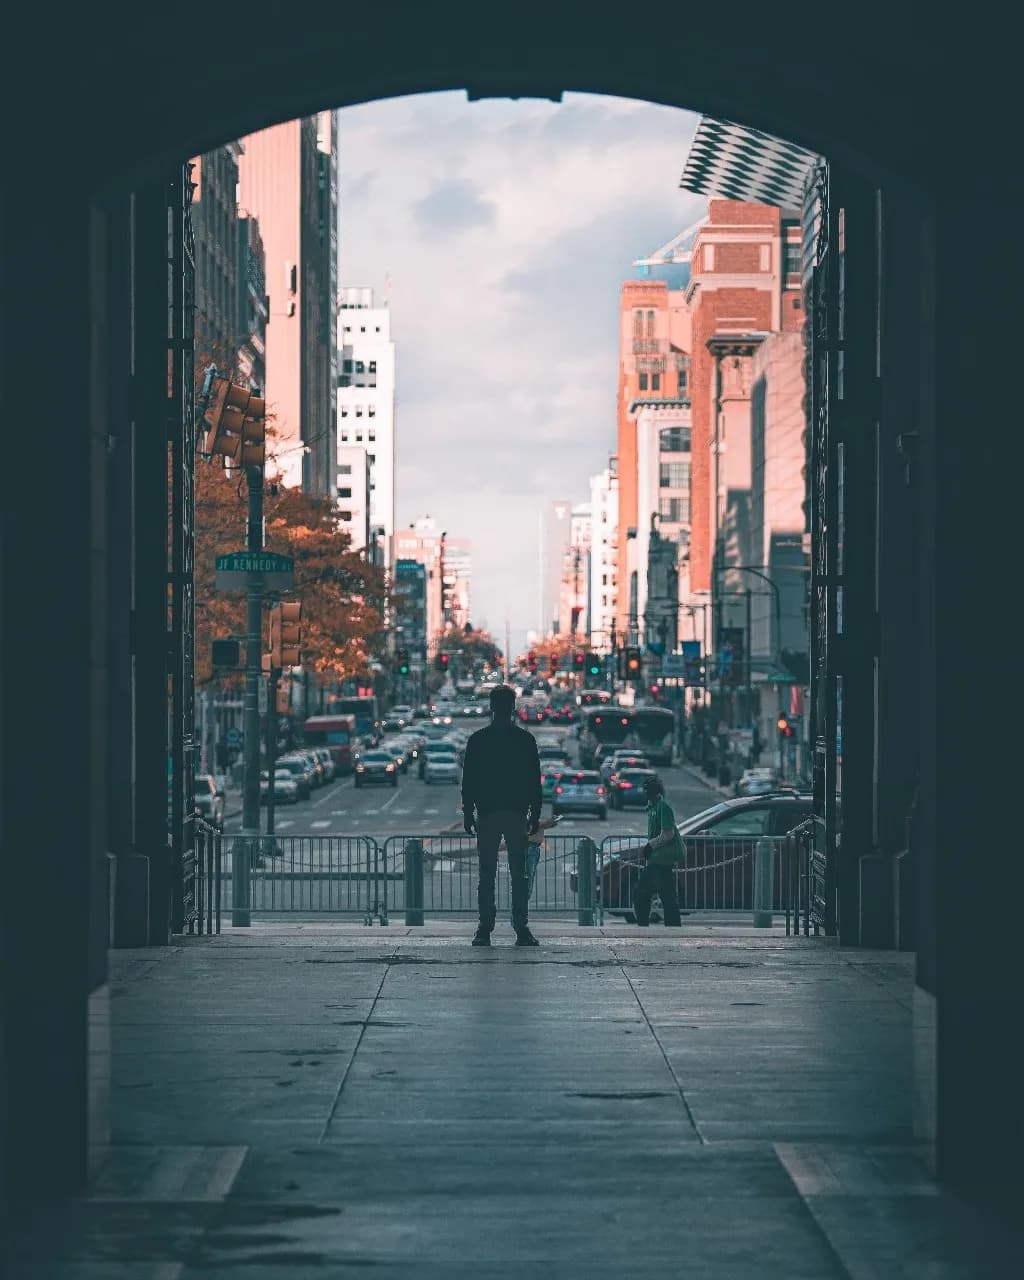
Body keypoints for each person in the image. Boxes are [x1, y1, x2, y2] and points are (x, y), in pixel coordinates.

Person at [461, 684, 543, 947]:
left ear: (491, 708)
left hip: (487, 813)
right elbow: (534, 781)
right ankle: (521, 927)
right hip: (516, 813)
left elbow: (469, 780)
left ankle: (484, 929)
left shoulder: (478, 740)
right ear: (513, 708)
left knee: (487, 874)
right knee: (518, 874)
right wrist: (535, 813)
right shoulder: (525, 740)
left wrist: (468, 812)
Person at [631, 776, 686, 927]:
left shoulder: (663, 807)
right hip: (657, 859)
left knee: (642, 893)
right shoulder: (653, 808)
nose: (645, 793)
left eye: (648, 790)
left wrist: (650, 845)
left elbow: (668, 833)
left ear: (656, 792)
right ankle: (673, 927)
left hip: (661, 859)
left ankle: (644, 926)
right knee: (666, 896)